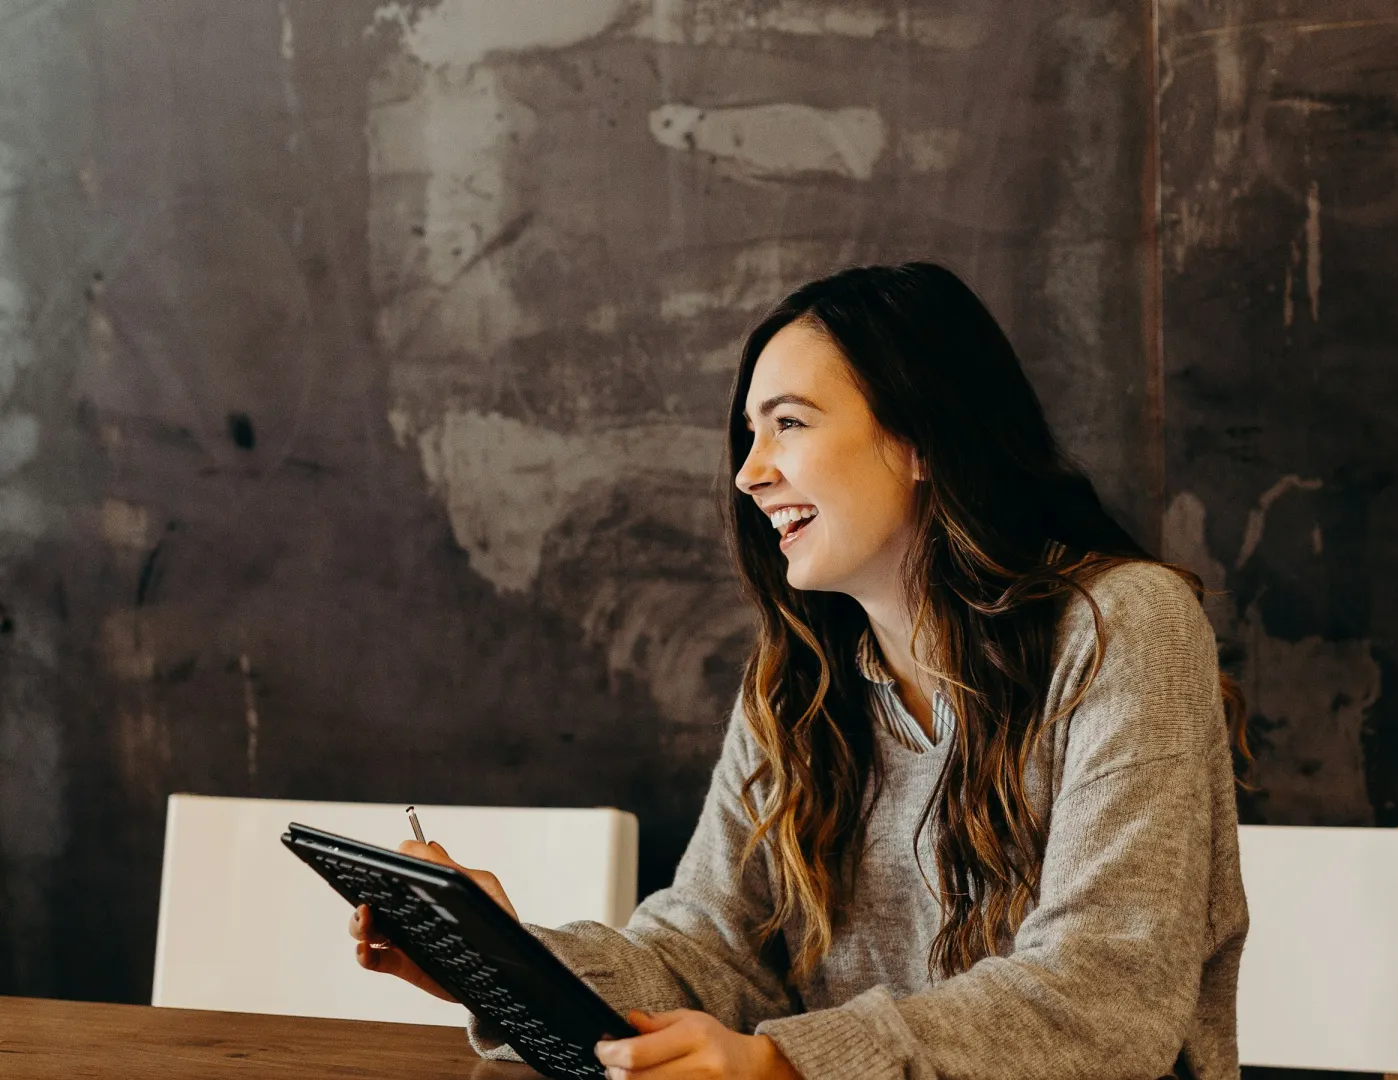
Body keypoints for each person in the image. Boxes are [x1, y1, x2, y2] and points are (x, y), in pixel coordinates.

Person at [348, 262, 1251, 1080]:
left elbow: (1104, 997)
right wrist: (506, 963)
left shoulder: (1122, 625)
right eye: (750, 434)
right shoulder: (798, 682)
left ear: (919, 439)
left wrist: (780, 1063)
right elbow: (709, 955)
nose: (748, 473)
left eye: (788, 423)